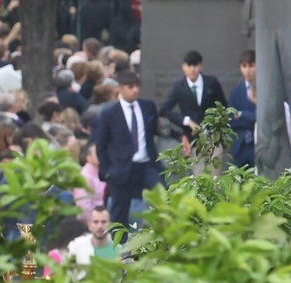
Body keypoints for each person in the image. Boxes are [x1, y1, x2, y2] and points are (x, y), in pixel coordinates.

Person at [91, 70, 164, 230]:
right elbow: (101, 144)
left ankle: (159, 235)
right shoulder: (110, 112)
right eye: (130, 87)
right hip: (121, 168)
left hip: (147, 165)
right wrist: (107, 171)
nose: (135, 90)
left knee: (162, 198)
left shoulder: (147, 106)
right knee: (120, 213)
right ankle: (119, 243)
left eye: (137, 86)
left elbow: (155, 131)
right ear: (120, 89)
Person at [160, 50, 228, 145]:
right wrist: (186, 121)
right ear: (184, 67)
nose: (192, 69)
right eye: (189, 65)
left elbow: (223, 106)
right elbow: (164, 110)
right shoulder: (179, 87)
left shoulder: (212, 83)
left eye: (195, 65)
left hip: (213, 137)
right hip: (190, 138)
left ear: (201, 66)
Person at [229, 51, 258, 168]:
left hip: (258, 144)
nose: (247, 70)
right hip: (239, 146)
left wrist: (242, 114)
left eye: (251, 66)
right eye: (244, 66)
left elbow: (262, 118)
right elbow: (231, 119)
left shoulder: (265, 90)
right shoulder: (236, 92)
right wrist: (251, 118)